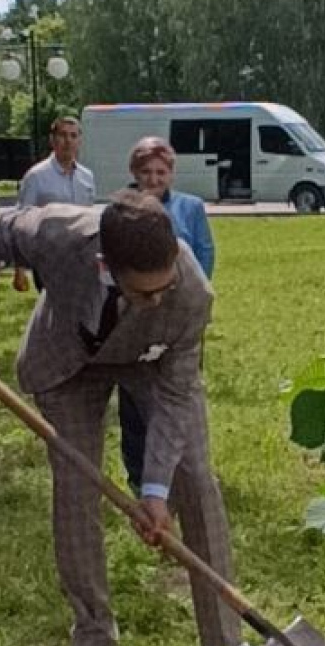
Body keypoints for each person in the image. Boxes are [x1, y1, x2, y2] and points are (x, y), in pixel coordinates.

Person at [0, 191, 274, 646]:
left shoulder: (190, 295)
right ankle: (94, 643)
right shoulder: (58, 233)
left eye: (164, 286)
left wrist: (155, 492)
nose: (158, 299)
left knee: (195, 479)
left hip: (154, 362)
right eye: (145, 293)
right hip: (68, 361)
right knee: (75, 494)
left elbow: (175, 397)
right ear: (105, 265)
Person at [119, 136, 215, 493]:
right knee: (134, 395)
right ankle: (139, 472)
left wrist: (193, 299)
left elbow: (205, 252)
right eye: (146, 172)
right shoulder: (121, 209)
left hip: (180, 316)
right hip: (135, 316)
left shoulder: (190, 208)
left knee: (179, 390)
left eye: (161, 172)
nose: (154, 179)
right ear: (134, 173)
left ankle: (184, 468)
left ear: (171, 174)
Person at [13, 116, 96, 292]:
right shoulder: (36, 176)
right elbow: (21, 221)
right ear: (52, 140)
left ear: (80, 140)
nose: (68, 141)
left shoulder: (87, 177)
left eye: (74, 136)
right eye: (63, 135)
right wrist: (20, 268)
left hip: (81, 258)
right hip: (48, 258)